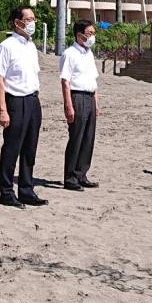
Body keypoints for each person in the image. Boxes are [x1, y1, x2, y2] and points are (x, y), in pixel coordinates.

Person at [0, 6, 47, 209]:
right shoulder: (7, 46)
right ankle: (6, 191)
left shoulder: (31, 45)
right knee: (12, 148)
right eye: (29, 19)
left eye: (33, 18)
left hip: (32, 100)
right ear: (17, 22)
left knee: (29, 149)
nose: (32, 23)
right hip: (15, 100)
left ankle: (26, 189)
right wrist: (3, 109)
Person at [60, 19, 100, 191]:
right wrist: (68, 105)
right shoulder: (69, 54)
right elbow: (65, 81)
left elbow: (93, 80)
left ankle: (81, 173)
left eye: (93, 33)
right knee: (76, 137)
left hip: (90, 96)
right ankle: (70, 177)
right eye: (89, 33)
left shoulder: (89, 53)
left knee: (88, 138)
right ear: (79, 35)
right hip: (77, 96)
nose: (92, 37)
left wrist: (96, 103)